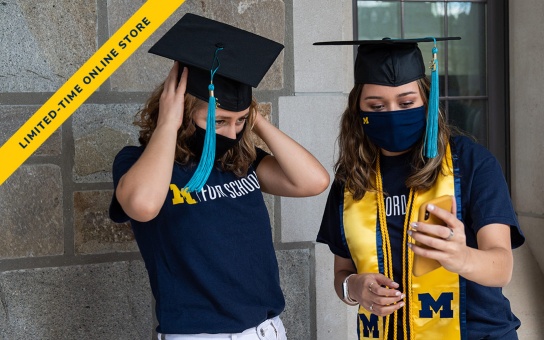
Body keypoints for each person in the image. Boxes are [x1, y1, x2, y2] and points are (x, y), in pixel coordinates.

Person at [109, 14, 329, 339]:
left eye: (238, 121)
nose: (230, 131)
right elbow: (142, 205)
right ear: (182, 111)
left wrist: (253, 118)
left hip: (267, 330)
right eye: (218, 120)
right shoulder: (138, 162)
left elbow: (314, 181)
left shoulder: (239, 161)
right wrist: (168, 123)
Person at [315, 37, 525, 339]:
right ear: (358, 111)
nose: (392, 113)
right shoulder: (351, 180)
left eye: (406, 103)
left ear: (427, 101)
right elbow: (342, 273)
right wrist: (355, 289)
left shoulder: (471, 162)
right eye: (376, 105)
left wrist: (461, 257)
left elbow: (502, 266)